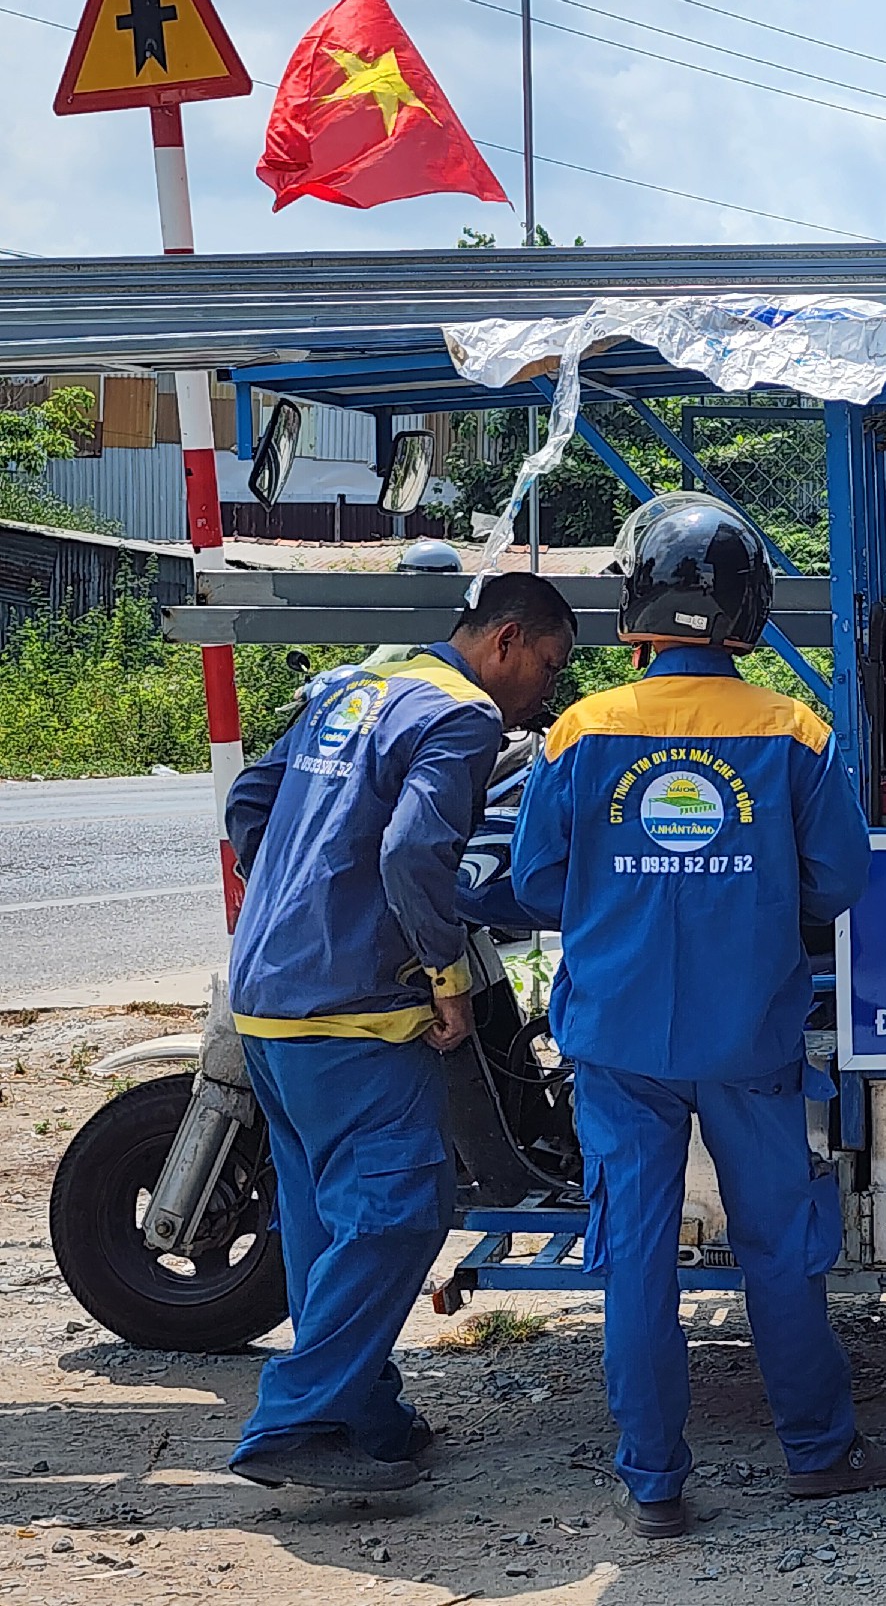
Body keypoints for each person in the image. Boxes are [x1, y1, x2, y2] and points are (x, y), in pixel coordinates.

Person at [512, 494, 886, 1539]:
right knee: (778, 1248)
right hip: (750, 1039)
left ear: (636, 606)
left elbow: (537, 881)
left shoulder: (581, 730)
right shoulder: (794, 731)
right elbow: (839, 881)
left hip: (618, 1041)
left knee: (637, 1260)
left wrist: (625, 897)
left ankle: (653, 1483)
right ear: (749, 611)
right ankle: (818, 1451)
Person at [224, 572, 578, 1493]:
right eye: (548, 665)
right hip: (357, 1012)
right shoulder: (463, 715)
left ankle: (365, 1415)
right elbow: (416, 849)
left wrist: (306, 897)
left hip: (268, 995)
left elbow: (251, 802)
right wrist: (446, 972)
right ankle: (296, 1421)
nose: (545, 689)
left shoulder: (352, 686)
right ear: (505, 639)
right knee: (401, 1210)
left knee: (324, 1221)